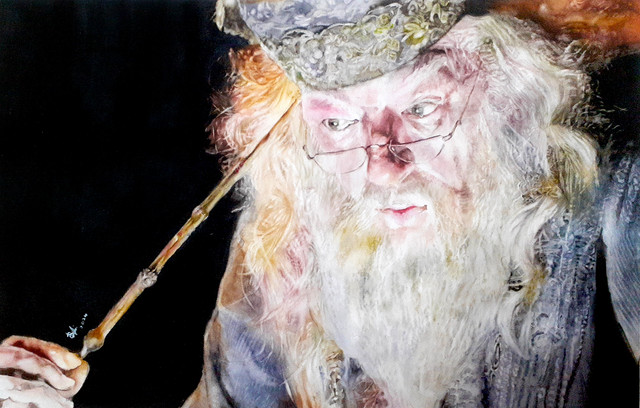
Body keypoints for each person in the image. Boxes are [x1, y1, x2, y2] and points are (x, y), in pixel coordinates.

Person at [0, 0, 637, 407]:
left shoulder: (618, 203)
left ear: (504, 96)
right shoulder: (284, 243)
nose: (381, 166)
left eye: (421, 108)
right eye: (336, 123)